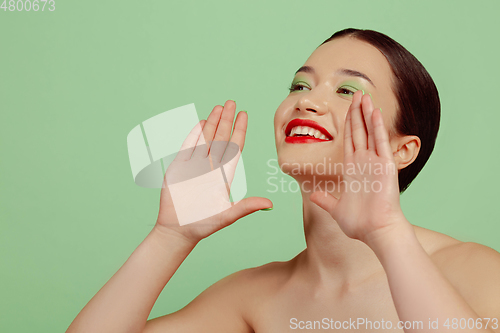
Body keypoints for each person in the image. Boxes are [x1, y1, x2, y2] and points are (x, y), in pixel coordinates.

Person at [66, 28, 500, 333]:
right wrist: (169, 237)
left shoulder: (475, 272)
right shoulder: (255, 297)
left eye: (347, 90)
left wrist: (387, 233)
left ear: (402, 151)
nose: (308, 101)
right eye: (299, 85)